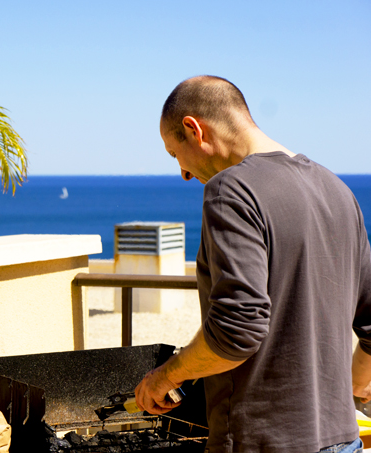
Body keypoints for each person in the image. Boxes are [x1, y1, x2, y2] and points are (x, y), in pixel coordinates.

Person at [134, 75, 371, 452]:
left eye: (175, 154)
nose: (184, 173)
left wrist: (166, 376)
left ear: (194, 130)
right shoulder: (338, 191)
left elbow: (237, 329)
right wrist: (355, 383)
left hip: (261, 442)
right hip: (343, 440)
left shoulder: (230, 190)